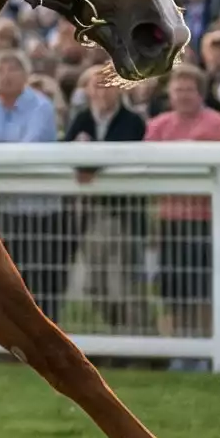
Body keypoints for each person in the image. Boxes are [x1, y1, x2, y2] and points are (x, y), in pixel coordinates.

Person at [0, 52, 70, 315]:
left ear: (26, 75)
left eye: (12, 69)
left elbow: (26, 153)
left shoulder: (41, 107)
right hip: (2, 207)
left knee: (41, 276)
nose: (5, 75)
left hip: (39, 209)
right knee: (5, 275)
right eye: (0, 69)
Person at [144, 64, 220, 337]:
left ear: (200, 93)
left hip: (205, 220)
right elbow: (147, 165)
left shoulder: (216, 123)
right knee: (173, 289)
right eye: (178, 89)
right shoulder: (158, 125)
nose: (183, 95)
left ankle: (204, 344)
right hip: (169, 221)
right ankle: (179, 346)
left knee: (202, 288)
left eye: (189, 90)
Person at [64, 73, 147, 331]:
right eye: (97, 86)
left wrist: (90, 163)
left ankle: (136, 342)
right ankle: (120, 336)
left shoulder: (133, 120)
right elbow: (64, 148)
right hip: (90, 215)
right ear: (88, 90)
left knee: (121, 284)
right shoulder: (82, 118)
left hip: (121, 214)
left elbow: (122, 150)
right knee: (95, 285)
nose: (102, 92)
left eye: (108, 86)